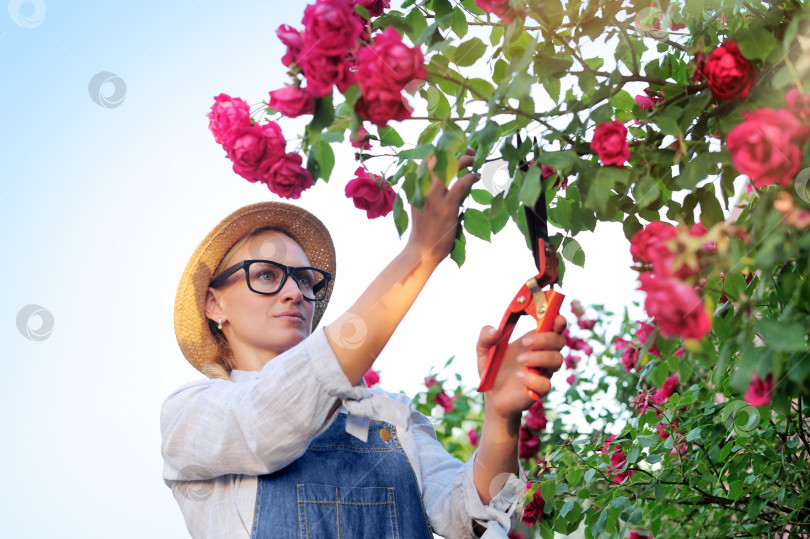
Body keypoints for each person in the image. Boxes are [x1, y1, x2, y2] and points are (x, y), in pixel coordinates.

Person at [161, 153, 566, 538]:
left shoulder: (388, 414)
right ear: (214, 304)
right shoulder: (192, 414)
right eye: (266, 276)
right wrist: (419, 255)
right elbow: (269, 420)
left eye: (305, 280)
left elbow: (469, 517)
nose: (294, 292)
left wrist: (500, 416)